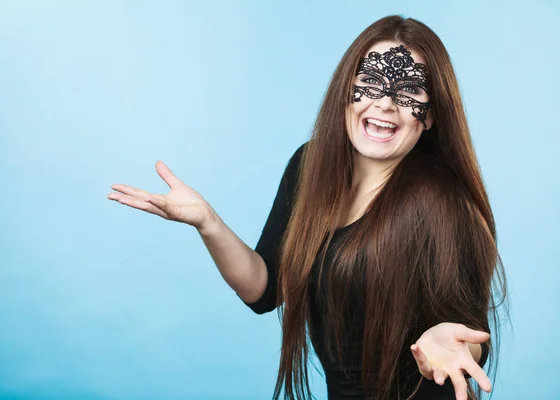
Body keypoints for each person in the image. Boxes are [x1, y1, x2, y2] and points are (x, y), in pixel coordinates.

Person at [107, 15, 508, 400]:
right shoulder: (310, 166)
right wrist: (208, 223)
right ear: (345, 91)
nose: (386, 103)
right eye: (371, 81)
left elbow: (471, 338)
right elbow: (263, 290)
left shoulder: (441, 201)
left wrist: (450, 344)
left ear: (431, 115)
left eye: (408, 91)